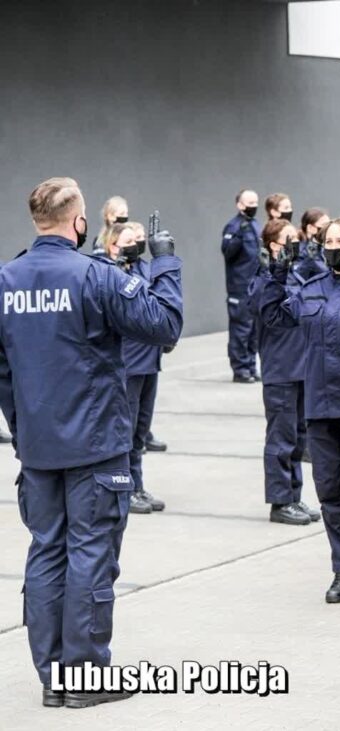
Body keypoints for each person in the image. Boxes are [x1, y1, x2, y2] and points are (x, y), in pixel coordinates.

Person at [1, 177, 182, 708]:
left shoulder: (8, 279)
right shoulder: (93, 276)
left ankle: (52, 676)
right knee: (89, 555)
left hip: (38, 448)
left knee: (46, 552)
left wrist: (23, 422)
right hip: (96, 446)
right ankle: (82, 677)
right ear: (79, 222)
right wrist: (165, 262)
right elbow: (165, 325)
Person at [262, 216, 340, 604]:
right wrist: (277, 274)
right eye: (328, 241)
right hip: (319, 409)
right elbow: (273, 315)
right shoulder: (311, 290)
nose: (333, 247)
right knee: (330, 495)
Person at [249, 219, 320, 527]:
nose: (295, 243)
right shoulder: (263, 279)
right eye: (287, 239)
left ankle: (294, 495)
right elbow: (266, 308)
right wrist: (276, 271)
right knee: (281, 439)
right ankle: (280, 501)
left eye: (296, 237)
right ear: (272, 245)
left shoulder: (296, 273)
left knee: (299, 438)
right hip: (281, 370)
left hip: (302, 367)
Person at [102, 222, 168, 515]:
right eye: (130, 240)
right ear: (112, 245)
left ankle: (137, 485)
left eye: (139, 240)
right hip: (127, 364)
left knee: (140, 432)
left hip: (149, 363)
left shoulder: (142, 269)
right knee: (125, 433)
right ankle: (126, 489)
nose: (136, 245)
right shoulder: (111, 273)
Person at [222, 189, 262, 382]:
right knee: (241, 330)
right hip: (239, 286)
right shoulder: (234, 226)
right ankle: (240, 369)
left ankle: (251, 367)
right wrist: (239, 235)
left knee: (254, 330)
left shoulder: (255, 225)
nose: (253, 206)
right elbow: (227, 252)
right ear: (240, 204)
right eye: (249, 202)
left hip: (255, 286)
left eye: (255, 202)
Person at [296, 207, 330, 282]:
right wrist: (311, 259)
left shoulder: (323, 248)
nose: (328, 229)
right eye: (324, 225)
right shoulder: (299, 252)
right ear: (310, 228)